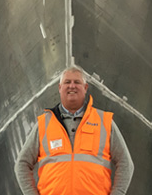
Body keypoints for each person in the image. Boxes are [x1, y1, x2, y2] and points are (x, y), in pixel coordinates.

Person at [15, 66, 134, 194]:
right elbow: (22, 163)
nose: (72, 86)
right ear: (60, 88)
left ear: (85, 88)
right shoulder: (44, 124)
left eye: (77, 82)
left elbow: (125, 163)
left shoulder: (104, 121)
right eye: (67, 82)